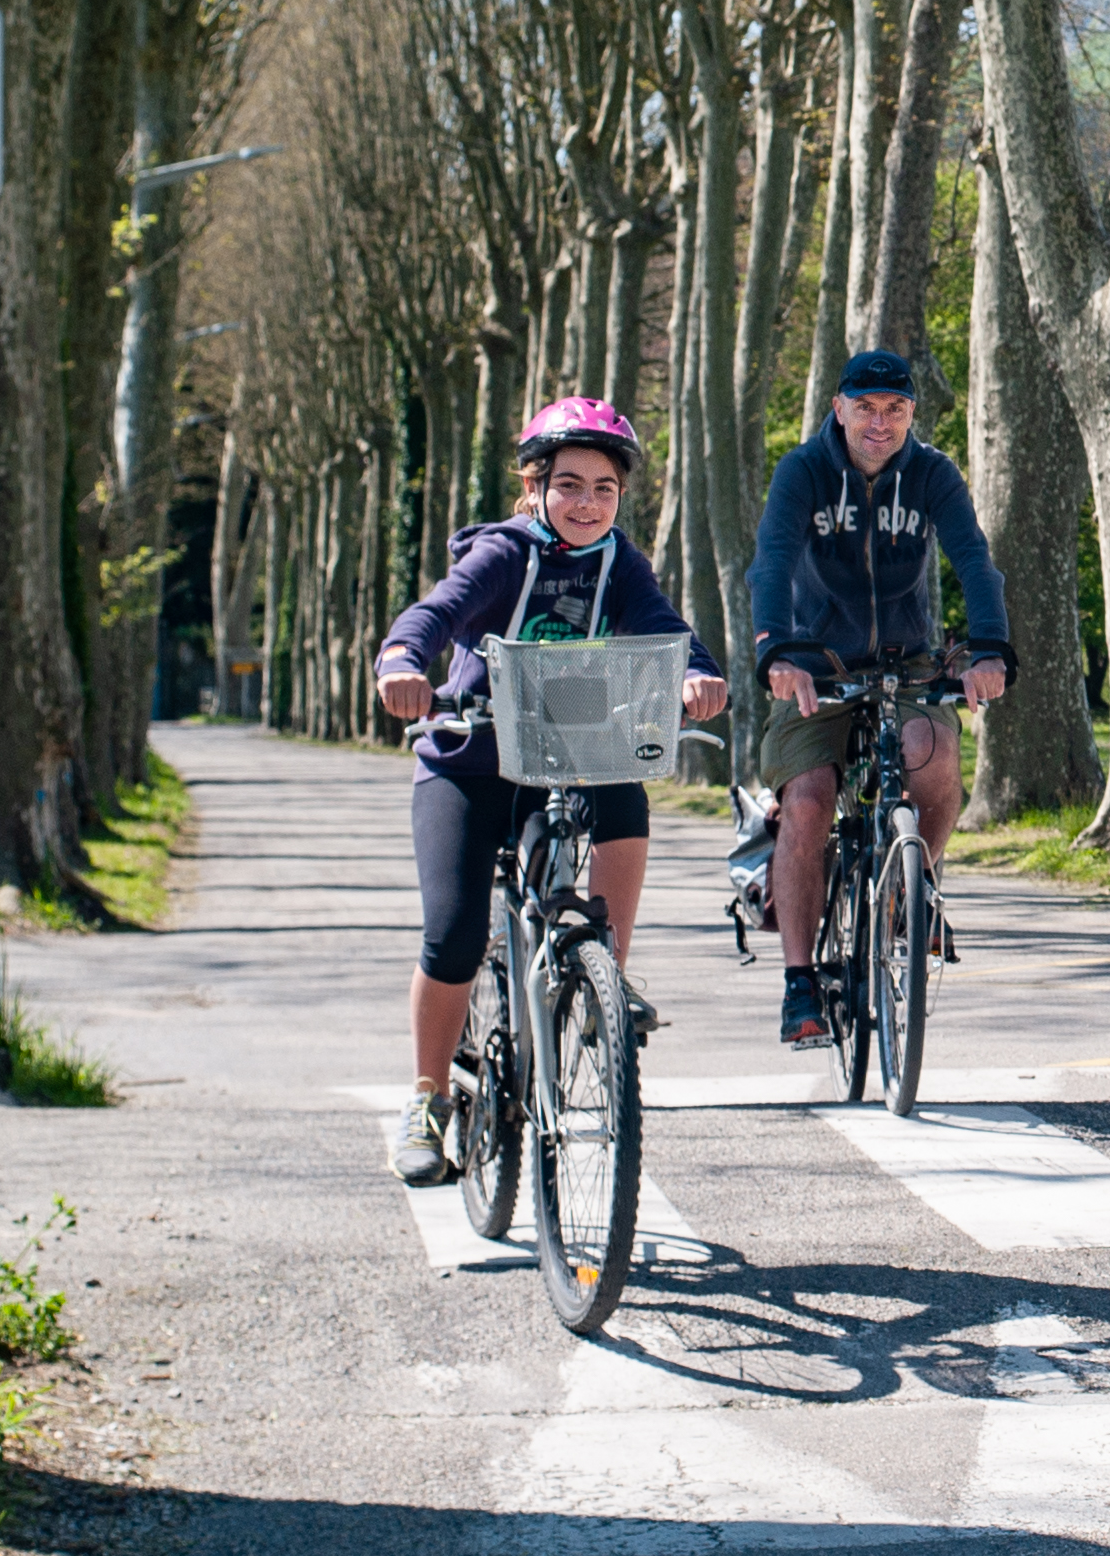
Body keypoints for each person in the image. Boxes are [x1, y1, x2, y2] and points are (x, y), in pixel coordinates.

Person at [375, 400, 728, 1185]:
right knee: (458, 933)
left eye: (604, 489)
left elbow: (661, 628)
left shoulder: (619, 562)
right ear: (534, 487)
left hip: (565, 753)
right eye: (568, 484)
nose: (587, 503)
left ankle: (608, 972)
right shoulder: (503, 553)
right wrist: (403, 661)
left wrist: (696, 671)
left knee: (624, 791)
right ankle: (429, 1099)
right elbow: (437, 613)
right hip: (468, 757)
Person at [749, 351, 1012, 1048]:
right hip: (814, 664)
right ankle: (800, 979)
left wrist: (989, 648)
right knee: (806, 799)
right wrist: (775, 650)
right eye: (865, 406)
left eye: (895, 410)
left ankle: (912, 887)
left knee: (938, 756)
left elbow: (973, 559)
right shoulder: (803, 471)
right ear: (839, 409)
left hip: (907, 663)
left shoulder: (932, 474)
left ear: (911, 417)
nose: (880, 422)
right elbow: (772, 558)